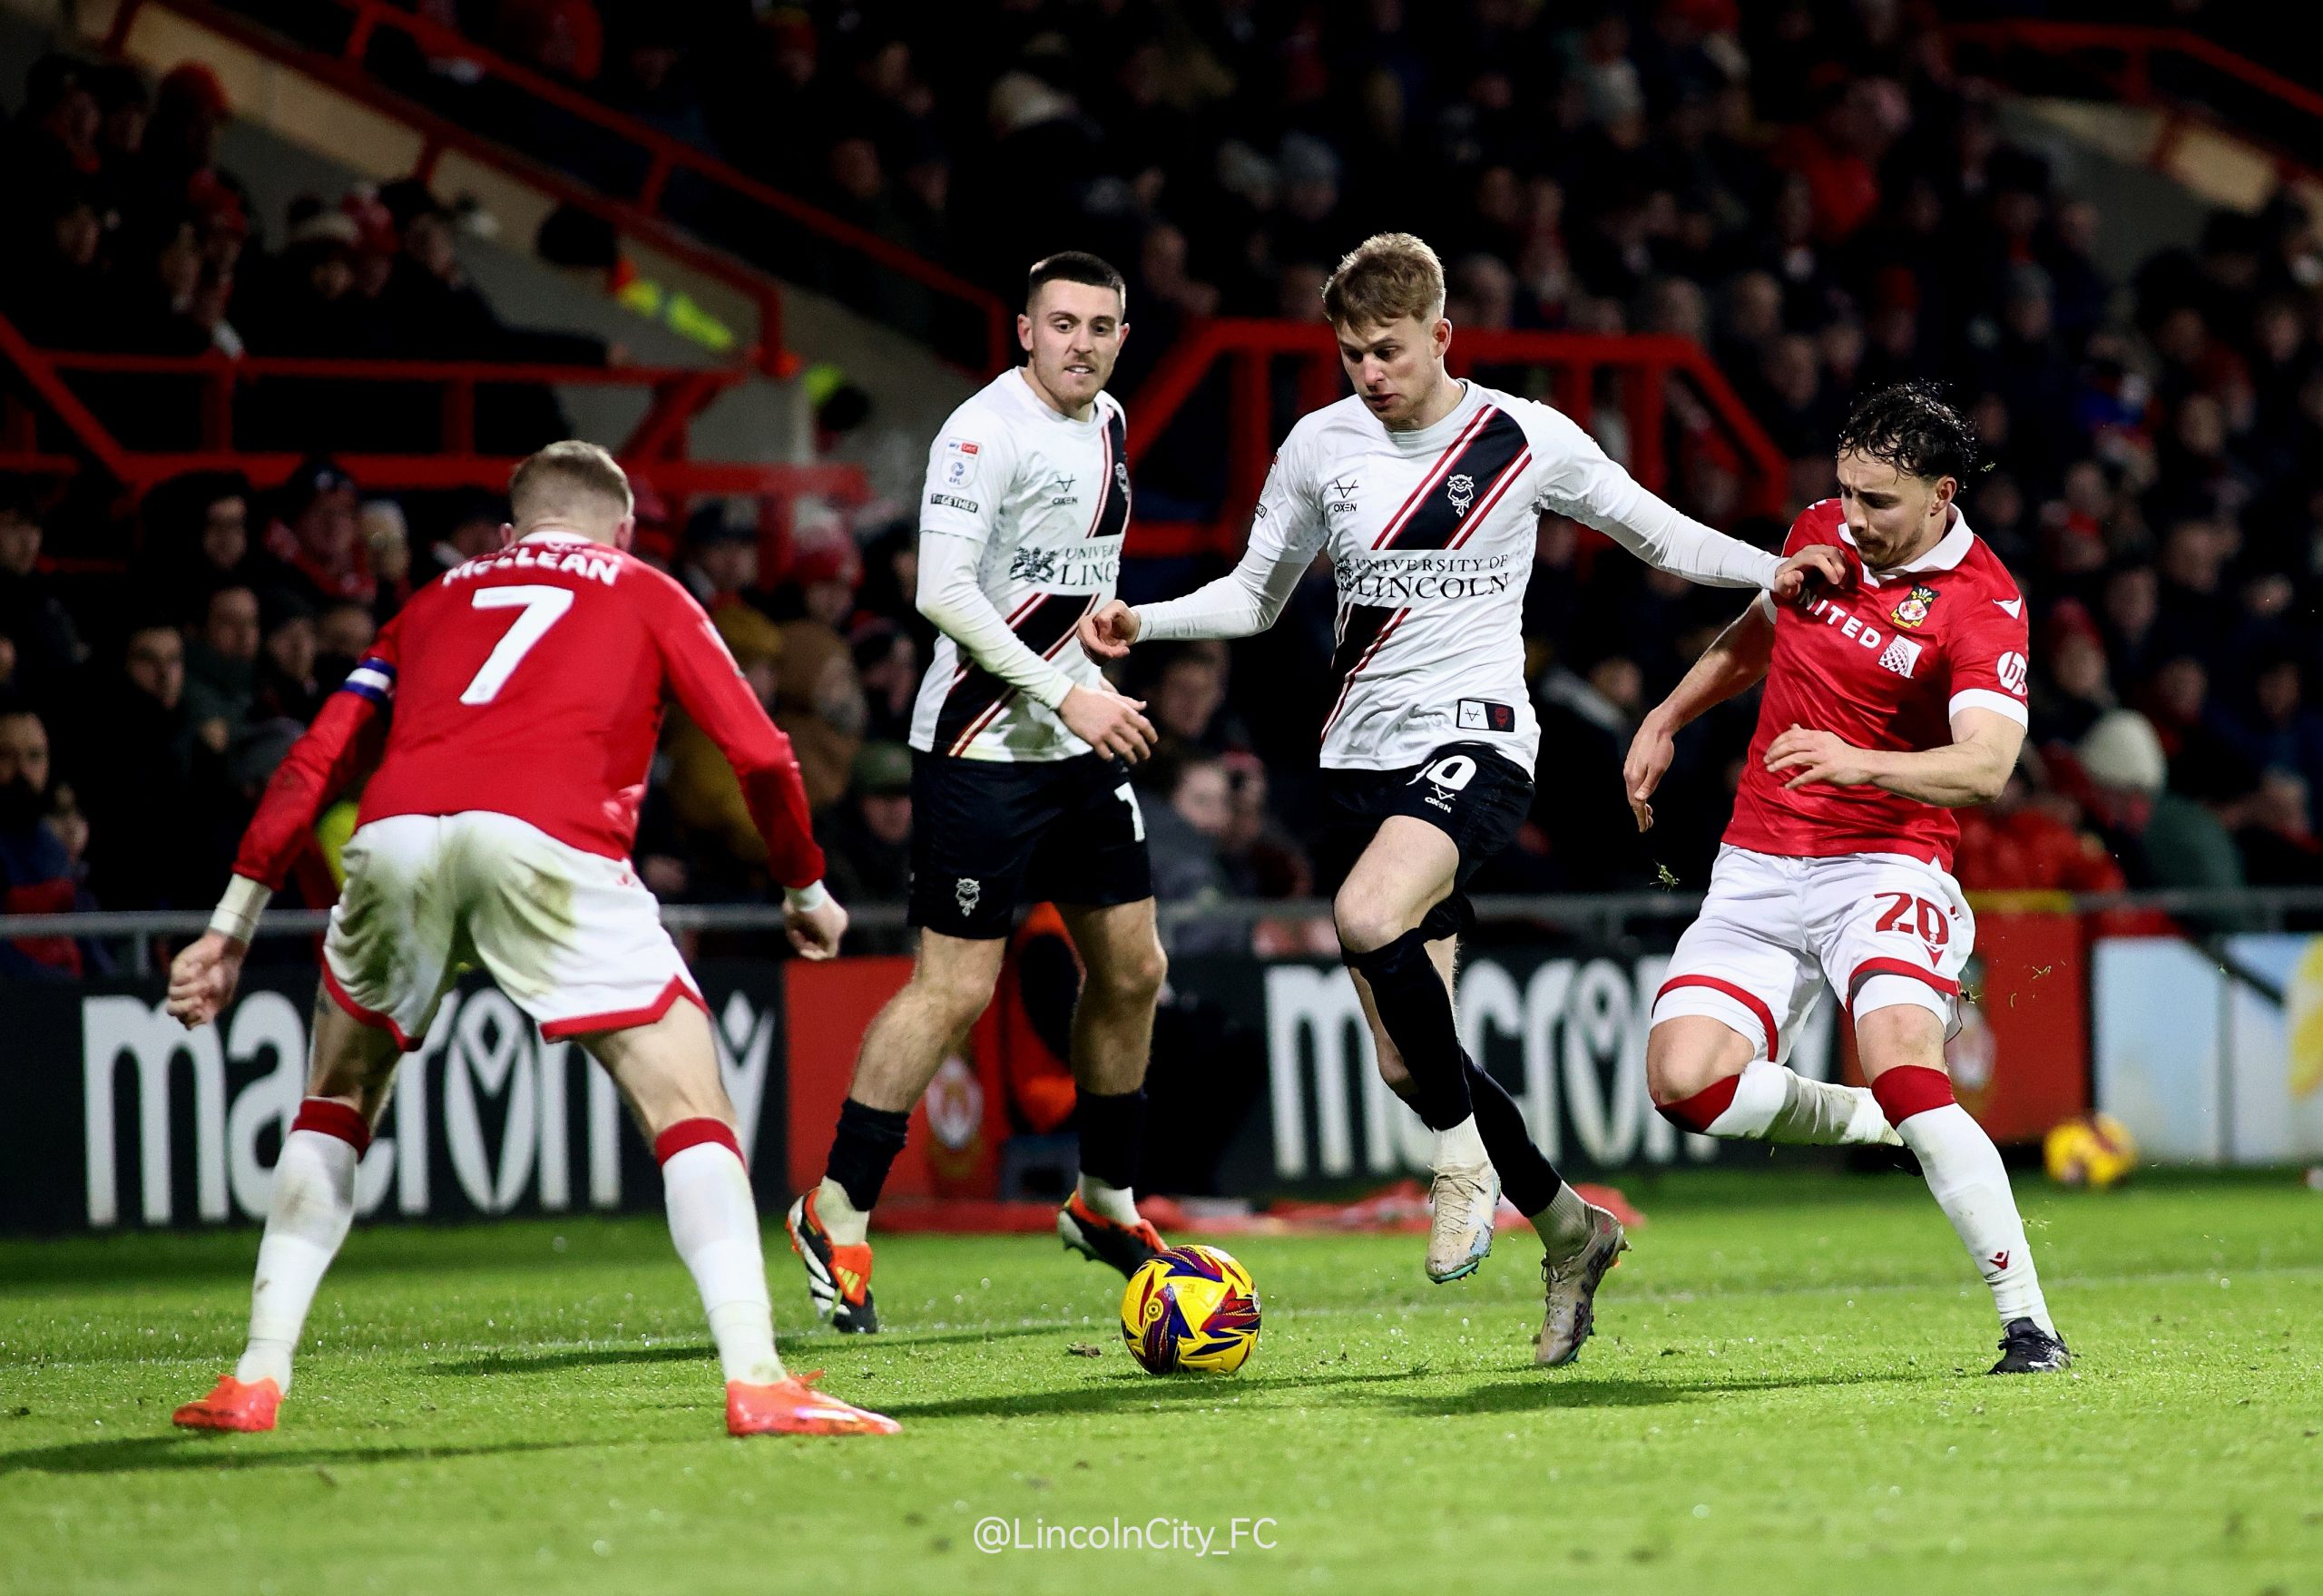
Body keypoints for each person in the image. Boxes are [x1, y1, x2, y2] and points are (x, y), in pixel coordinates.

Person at [1081, 232, 1846, 1366]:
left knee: (1367, 916)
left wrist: (1766, 567)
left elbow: (1651, 528)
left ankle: (1461, 1161)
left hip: (1479, 742)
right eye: (1349, 355)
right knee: (1404, 1056)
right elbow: (1253, 596)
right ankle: (1570, 1229)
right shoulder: (1320, 445)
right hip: (1359, 764)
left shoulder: (1520, 438)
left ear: (1442, 335)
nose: (1369, 374)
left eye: (1387, 351)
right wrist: (1146, 621)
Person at [162, 441, 896, 1438]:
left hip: (398, 838)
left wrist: (227, 928)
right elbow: (761, 752)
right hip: (547, 841)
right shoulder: (647, 588)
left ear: (508, 536)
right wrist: (805, 883)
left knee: (334, 1100)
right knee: (690, 1103)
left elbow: (314, 758)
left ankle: (253, 1376)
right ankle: (757, 1375)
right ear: (623, 531)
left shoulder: (431, 601)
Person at [1624, 382, 2071, 1375]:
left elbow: (1988, 765)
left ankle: (2028, 1324)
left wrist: (1862, 763)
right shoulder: (1822, 528)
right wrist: (1666, 716)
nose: (1853, 518)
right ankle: (1881, 1121)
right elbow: (1759, 630)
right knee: (1683, 1082)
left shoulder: (1983, 603)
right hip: (1756, 861)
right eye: (1845, 493)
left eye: (1880, 501)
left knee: (1905, 1056)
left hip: (1886, 861)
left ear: (1941, 494)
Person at [786, 252, 1171, 1336]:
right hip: (979, 749)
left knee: (1134, 968)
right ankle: (838, 1209)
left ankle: (1104, 1203)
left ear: (1120, 335)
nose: (1081, 342)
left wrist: (1099, 644)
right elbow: (940, 588)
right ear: (1023, 330)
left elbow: (1069, 569)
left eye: (1101, 325)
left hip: (1078, 733)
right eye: (1062, 323)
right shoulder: (977, 431)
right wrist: (1067, 690)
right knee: (954, 989)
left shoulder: (1111, 421)